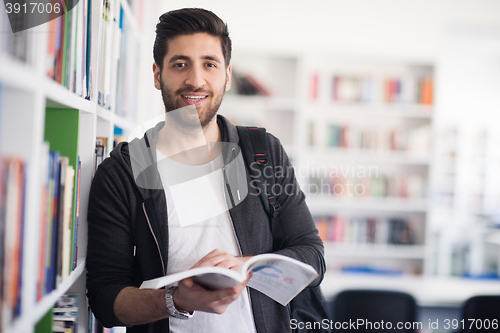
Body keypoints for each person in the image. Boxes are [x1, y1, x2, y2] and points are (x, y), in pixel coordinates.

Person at [86, 8, 325, 333]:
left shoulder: (262, 152)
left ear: (227, 75)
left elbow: (312, 256)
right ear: (157, 75)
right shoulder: (123, 172)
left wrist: (243, 267)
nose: (196, 80)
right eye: (180, 64)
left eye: (209, 64)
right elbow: (105, 299)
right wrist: (175, 300)